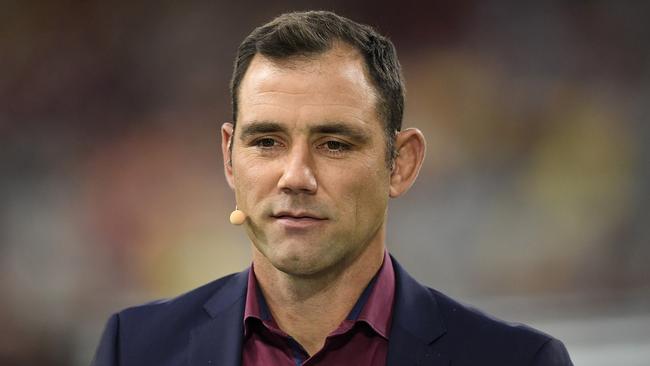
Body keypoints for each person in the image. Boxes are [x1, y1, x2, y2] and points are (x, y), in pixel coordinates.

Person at [92, 10, 573, 366]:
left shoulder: (518, 360)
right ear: (229, 157)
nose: (295, 176)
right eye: (266, 141)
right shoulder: (135, 348)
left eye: (335, 144)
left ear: (400, 164)